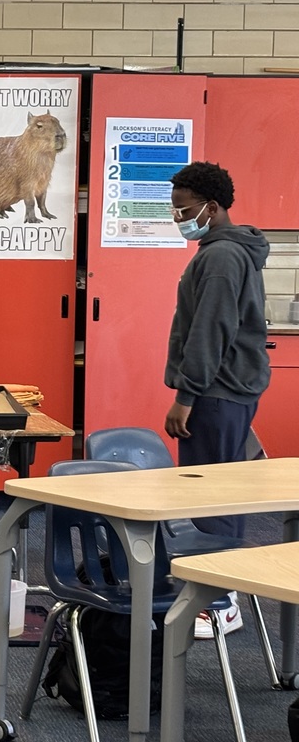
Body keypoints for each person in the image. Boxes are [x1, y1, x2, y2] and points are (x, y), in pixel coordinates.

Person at [164, 160, 270, 639]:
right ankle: (218, 592)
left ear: (213, 206)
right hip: (226, 391)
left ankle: (220, 601)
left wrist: (187, 396)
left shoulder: (223, 257)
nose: (177, 217)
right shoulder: (224, 250)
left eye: (183, 209)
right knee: (219, 492)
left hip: (216, 393)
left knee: (213, 498)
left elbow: (211, 331)